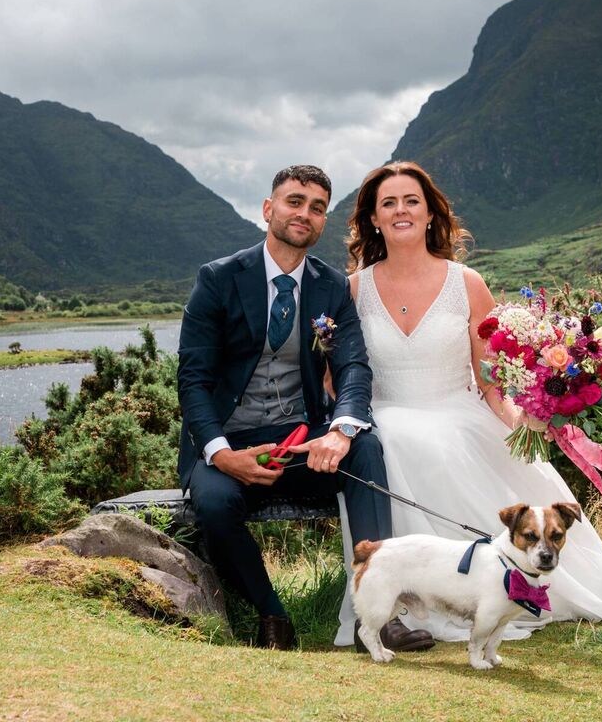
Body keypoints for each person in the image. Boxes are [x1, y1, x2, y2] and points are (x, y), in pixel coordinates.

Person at [332, 161, 602, 646]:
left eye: (411, 200)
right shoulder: (353, 289)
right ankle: (398, 600)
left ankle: (492, 592)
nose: (400, 211)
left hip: (456, 411)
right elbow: (342, 375)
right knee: (389, 441)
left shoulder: (466, 283)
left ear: (431, 213)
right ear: (372, 218)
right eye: (387, 203)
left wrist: (520, 416)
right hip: (386, 412)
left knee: (444, 440)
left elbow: (491, 376)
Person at [178, 164, 433, 652]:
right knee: (213, 504)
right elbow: (193, 379)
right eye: (295, 201)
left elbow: (354, 366)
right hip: (228, 445)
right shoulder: (218, 279)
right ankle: (271, 614)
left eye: (317, 207)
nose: (305, 214)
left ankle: (375, 621)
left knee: (366, 450)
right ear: (269, 209)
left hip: (300, 442)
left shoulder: (331, 287)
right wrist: (219, 452)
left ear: (323, 222)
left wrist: (340, 430)